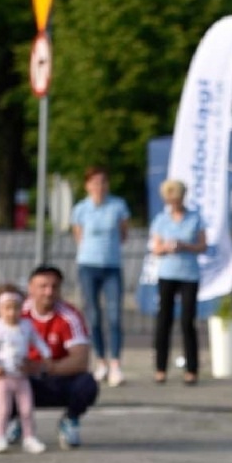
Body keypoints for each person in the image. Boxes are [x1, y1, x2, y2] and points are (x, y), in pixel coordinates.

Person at [0, 265, 98, 447]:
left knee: (87, 383)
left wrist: (44, 367)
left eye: (54, 287)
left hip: (50, 380)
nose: (48, 292)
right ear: (30, 288)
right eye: (43, 286)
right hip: (12, 377)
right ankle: (11, 417)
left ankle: (70, 420)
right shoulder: (15, 310)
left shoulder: (70, 316)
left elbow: (81, 360)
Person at [71, 165, 131, 387]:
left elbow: (123, 233)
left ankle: (115, 363)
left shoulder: (118, 206)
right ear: (87, 185)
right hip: (88, 265)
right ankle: (101, 361)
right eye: (95, 182)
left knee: (114, 315)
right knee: (93, 315)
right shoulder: (81, 209)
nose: (99, 187)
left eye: (103, 182)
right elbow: (78, 235)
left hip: (112, 265)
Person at [0, 285, 51, 454]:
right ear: (0, 310)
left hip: (21, 376)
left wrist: (46, 353)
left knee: (26, 409)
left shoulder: (26, 326)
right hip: (3, 377)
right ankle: (0, 437)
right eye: (7, 309)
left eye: (16, 308)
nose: (12, 313)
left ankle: (29, 437)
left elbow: (38, 340)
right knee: (3, 410)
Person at [149, 178, 206, 385]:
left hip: (189, 275)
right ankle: (160, 367)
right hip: (167, 273)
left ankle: (192, 369)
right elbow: (155, 248)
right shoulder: (161, 219)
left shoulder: (195, 218)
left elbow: (202, 245)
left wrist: (185, 246)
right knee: (164, 321)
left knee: (187, 322)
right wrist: (166, 248)